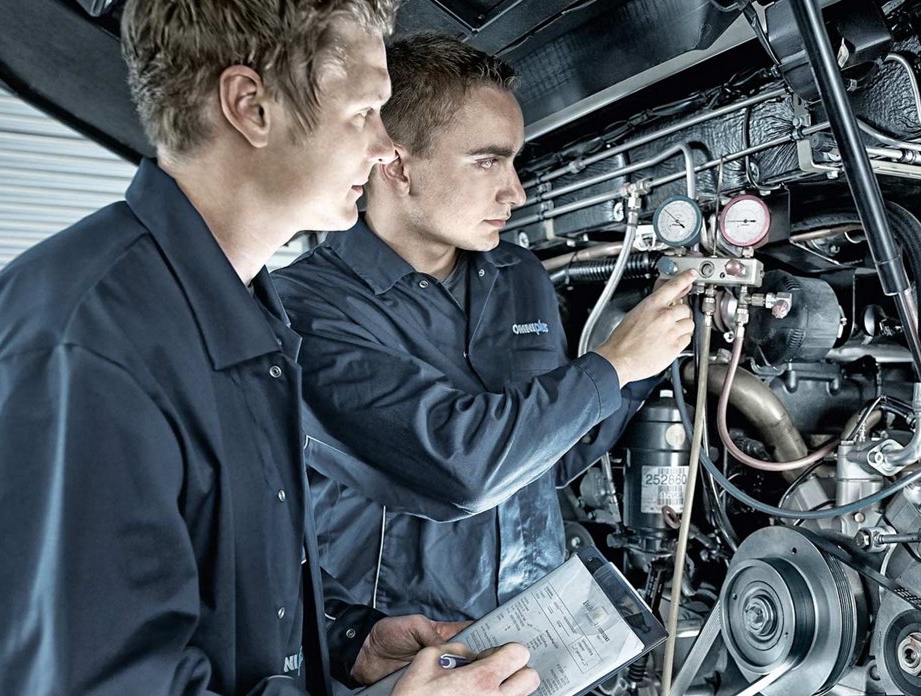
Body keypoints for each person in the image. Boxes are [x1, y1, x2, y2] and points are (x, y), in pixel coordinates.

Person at [0, 4, 535, 696]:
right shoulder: (88, 346)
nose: (385, 147)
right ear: (251, 107)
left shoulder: (241, 311)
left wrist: (346, 637)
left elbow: (220, 580)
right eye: (364, 113)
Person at [275, 33, 695, 624]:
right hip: (408, 651)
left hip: (538, 630)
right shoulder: (306, 307)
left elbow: (548, 459)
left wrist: (650, 361)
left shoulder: (519, 274)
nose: (515, 191)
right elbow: (461, 469)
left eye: (514, 161)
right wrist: (616, 364)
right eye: (487, 161)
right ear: (397, 165)